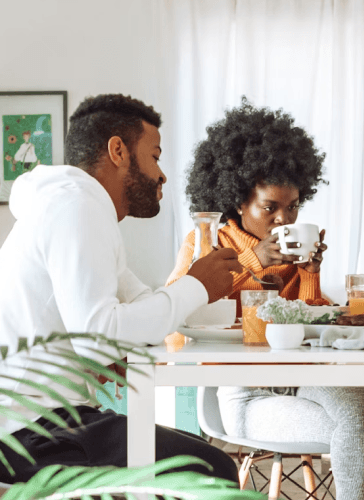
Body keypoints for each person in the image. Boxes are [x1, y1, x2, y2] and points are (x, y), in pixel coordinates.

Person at [0, 94, 242, 484]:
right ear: (118, 151)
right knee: (210, 470)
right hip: (32, 433)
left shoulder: (76, 208)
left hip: (43, 423)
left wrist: (195, 288)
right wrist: (197, 284)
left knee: (200, 453)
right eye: (155, 156)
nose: (162, 174)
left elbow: (139, 305)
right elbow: (100, 337)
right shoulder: (76, 207)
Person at [167, 98, 364, 500]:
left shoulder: (294, 254)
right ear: (238, 201)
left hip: (303, 377)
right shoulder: (207, 245)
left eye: (292, 208)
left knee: (361, 405)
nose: (283, 221)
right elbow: (178, 319)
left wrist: (309, 276)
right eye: (270, 208)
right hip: (243, 392)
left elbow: (308, 327)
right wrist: (253, 261)